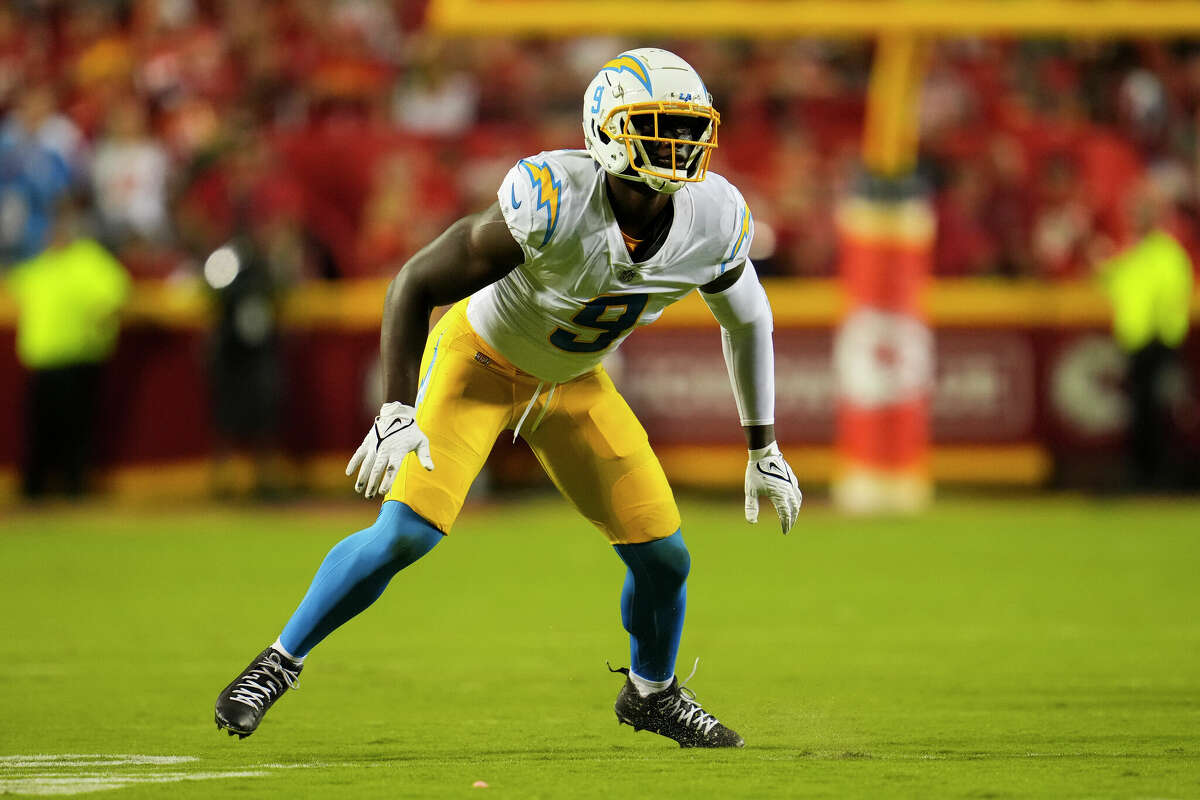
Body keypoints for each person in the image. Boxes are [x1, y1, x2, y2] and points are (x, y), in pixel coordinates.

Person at [213, 48, 803, 749]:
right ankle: (277, 662)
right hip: (480, 363)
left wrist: (762, 444)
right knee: (406, 534)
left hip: (572, 382)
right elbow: (414, 284)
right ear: (606, 129)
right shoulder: (554, 197)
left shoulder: (714, 215)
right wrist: (397, 409)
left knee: (665, 557)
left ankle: (652, 691)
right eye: (655, 126)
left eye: (686, 127)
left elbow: (749, 317)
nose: (676, 145)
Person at [6, 196, 130, 498]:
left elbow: (118, 298)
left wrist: (99, 329)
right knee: (40, 429)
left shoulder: (90, 260)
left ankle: (75, 485)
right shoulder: (42, 263)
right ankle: (35, 487)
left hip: (80, 358)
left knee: (77, 429)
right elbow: (12, 286)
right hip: (44, 360)